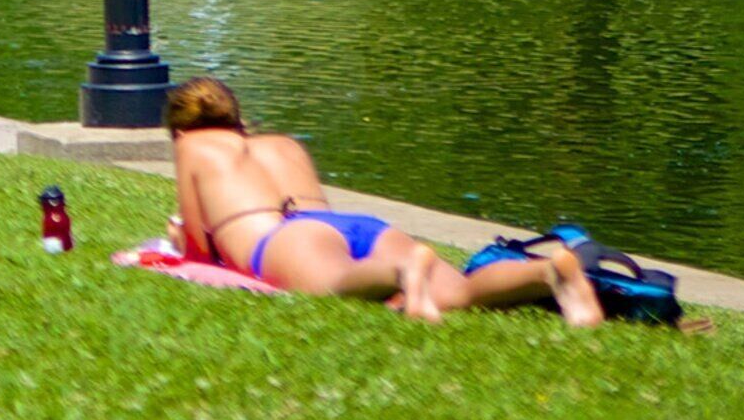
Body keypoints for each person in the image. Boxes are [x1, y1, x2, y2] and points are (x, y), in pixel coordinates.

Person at [165, 77, 601, 325]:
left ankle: (403, 272)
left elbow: (199, 252)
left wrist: (180, 238)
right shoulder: (283, 144)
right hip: (353, 226)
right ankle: (547, 271)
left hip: (286, 239)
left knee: (337, 282)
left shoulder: (193, 146)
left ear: (181, 129)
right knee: (460, 292)